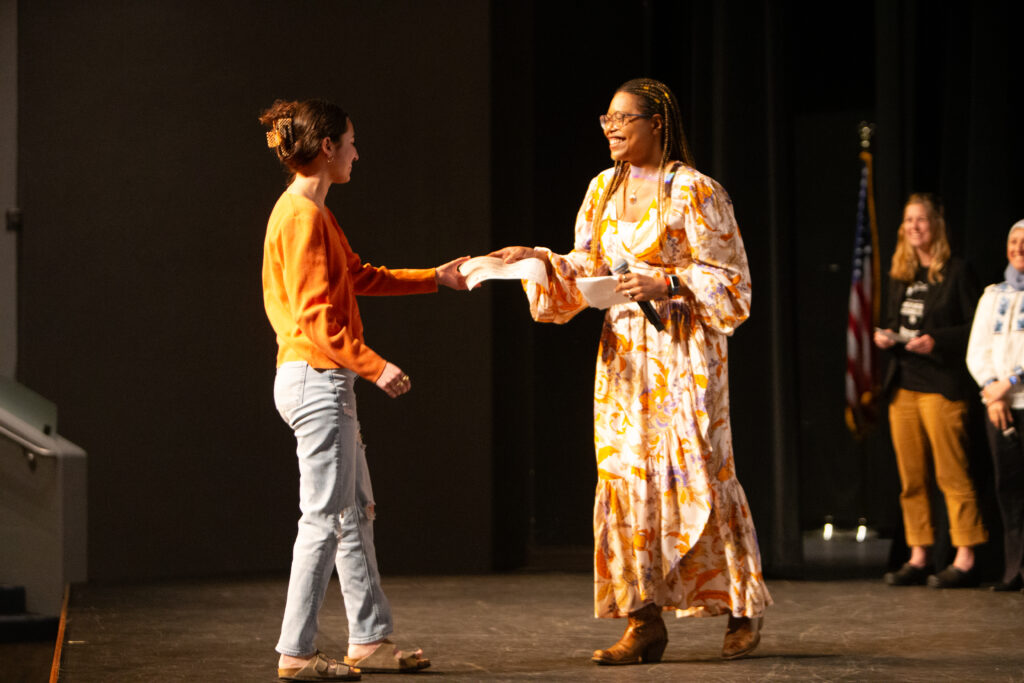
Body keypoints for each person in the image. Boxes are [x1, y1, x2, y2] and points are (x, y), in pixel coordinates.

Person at [490, 78, 771, 664]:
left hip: (685, 354)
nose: (611, 128)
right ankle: (643, 621)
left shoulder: (694, 191)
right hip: (626, 360)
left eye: (624, 118)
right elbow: (585, 266)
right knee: (625, 480)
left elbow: (735, 285)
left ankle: (742, 607)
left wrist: (668, 281)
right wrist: (540, 261)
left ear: (658, 123)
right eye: (606, 119)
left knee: (699, 471)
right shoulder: (602, 189)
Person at [259, 98, 467, 681]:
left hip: (325, 377)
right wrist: (376, 367)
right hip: (316, 377)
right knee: (324, 518)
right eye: (350, 141)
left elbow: (358, 276)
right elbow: (316, 315)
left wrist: (437, 277)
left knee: (353, 514)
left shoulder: (315, 213)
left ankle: (369, 639)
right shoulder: (300, 216)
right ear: (327, 148)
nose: (356, 151)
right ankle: (296, 652)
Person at [873, 193, 986, 589]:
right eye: (908, 220)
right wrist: (885, 335)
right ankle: (919, 554)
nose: (914, 227)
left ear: (935, 226)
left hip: (941, 386)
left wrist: (937, 340)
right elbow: (892, 320)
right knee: (912, 478)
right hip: (903, 385)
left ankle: (965, 556)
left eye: (921, 220)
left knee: (952, 474)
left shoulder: (956, 271)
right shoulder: (900, 273)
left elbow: (976, 326)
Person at [966, 219, 1024, 592]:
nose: (1018, 247)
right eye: (1014, 241)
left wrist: (1012, 382)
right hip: (997, 406)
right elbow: (977, 350)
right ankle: (1014, 569)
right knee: (1009, 489)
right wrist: (992, 391)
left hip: (1017, 395)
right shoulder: (993, 295)